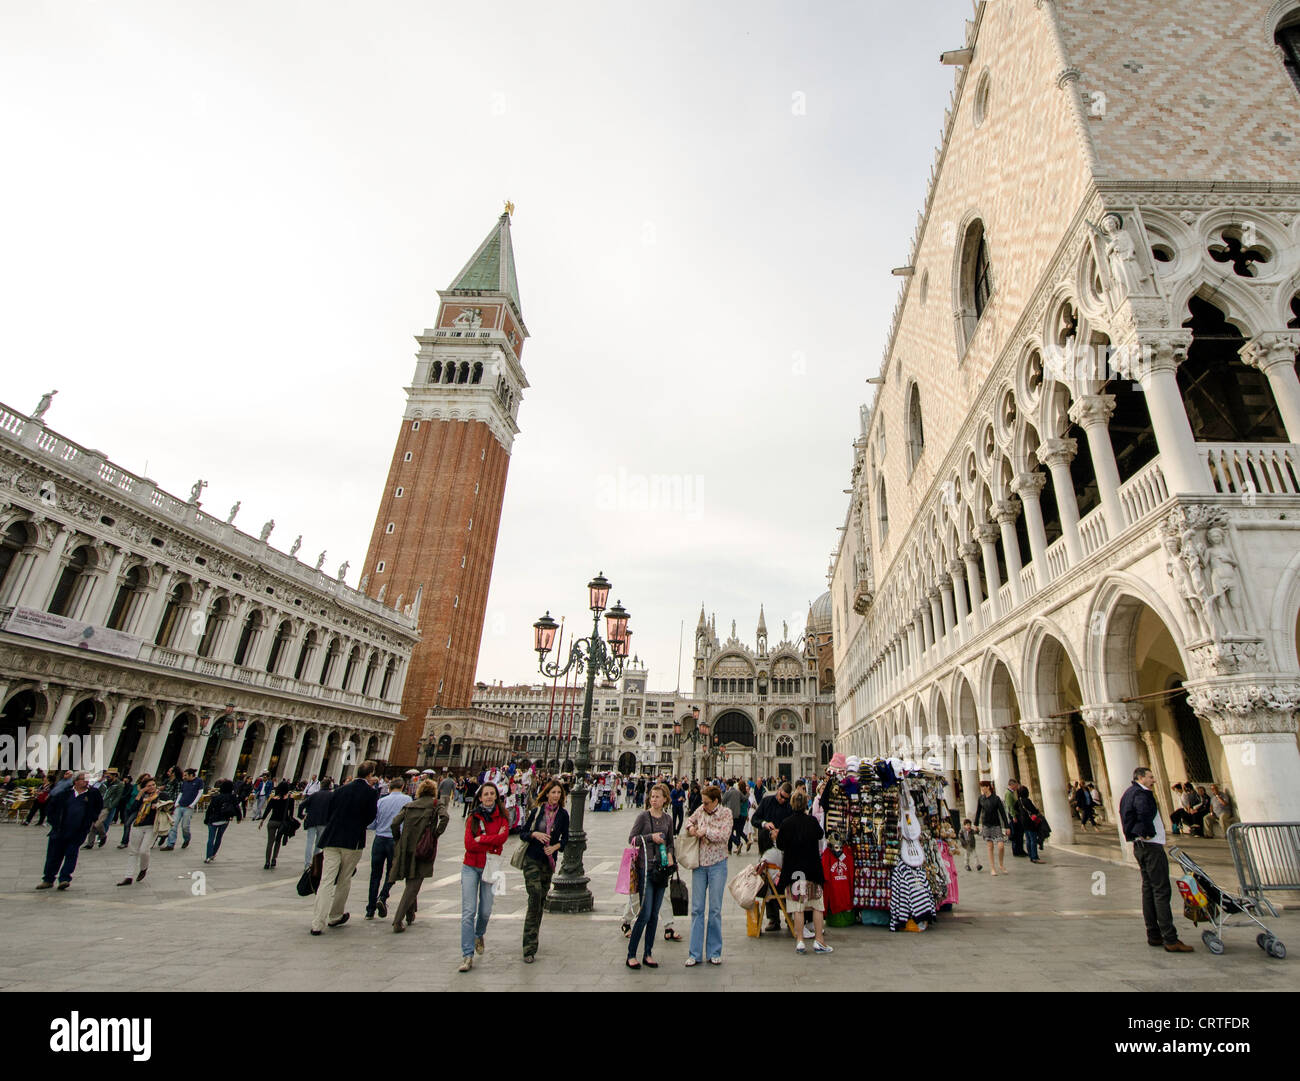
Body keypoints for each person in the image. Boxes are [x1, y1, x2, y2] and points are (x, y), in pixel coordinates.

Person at [1120, 766, 1193, 952]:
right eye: (1150, 777)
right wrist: (1146, 833)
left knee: (1148, 889)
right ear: (1140, 777)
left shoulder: (1128, 793)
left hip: (1140, 847)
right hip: (1151, 847)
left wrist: (1135, 835)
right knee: (1161, 891)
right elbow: (1144, 814)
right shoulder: (1142, 795)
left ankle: (1153, 934)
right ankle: (1170, 938)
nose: (1154, 780)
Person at [310, 760, 381, 936]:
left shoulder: (340, 790)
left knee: (326, 879)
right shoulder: (370, 793)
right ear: (370, 774)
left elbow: (331, 811)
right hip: (352, 841)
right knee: (344, 879)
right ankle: (335, 916)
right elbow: (370, 817)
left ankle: (317, 922)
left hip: (332, 838)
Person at [388, 778, 450, 932]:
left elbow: (395, 823)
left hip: (406, 846)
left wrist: (398, 839)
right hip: (423, 846)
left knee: (411, 879)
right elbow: (445, 817)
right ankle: (397, 920)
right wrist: (436, 833)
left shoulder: (410, 805)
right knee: (413, 885)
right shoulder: (435, 804)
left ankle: (410, 915)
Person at [459, 780, 509, 972]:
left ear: (496, 796)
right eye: (485, 794)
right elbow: (469, 845)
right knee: (468, 912)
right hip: (470, 866)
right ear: (480, 797)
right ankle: (467, 955)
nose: (489, 797)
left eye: (492, 794)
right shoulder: (473, 817)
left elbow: (502, 839)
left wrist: (482, 838)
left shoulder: (503, 817)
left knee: (486, 910)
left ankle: (479, 934)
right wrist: (491, 840)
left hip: (492, 867)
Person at [776, 789, 833, 955]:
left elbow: (780, 845)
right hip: (812, 871)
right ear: (806, 804)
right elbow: (820, 834)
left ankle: (800, 941)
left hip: (794, 873)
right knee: (816, 906)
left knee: (798, 908)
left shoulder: (786, 823)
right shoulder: (812, 821)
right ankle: (819, 941)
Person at [519, 778, 569, 962]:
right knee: (534, 897)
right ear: (546, 793)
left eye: (558, 793)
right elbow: (523, 833)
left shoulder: (563, 815)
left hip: (548, 862)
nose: (555, 796)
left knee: (539, 901)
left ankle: (533, 937)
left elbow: (565, 839)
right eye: (553, 792)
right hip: (532, 859)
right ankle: (528, 948)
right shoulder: (537, 811)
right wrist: (534, 834)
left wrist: (555, 847)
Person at [626, 782, 675, 970]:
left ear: (664, 800)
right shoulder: (643, 817)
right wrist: (650, 837)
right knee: (645, 914)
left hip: (662, 870)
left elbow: (670, 842)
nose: (654, 800)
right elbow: (632, 839)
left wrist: (670, 855)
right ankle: (631, 954)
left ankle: (648, 953)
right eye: (652, 797)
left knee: (654, 914)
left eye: (657, 797)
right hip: (645, 869)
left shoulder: (668, 819)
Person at [683, 783, 732, 966]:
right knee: (696, 909)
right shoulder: (701, 811)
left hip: (718, 864)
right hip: (699, 864)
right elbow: (689, 820)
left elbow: (725, 835)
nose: (703, 805)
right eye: (702, 802)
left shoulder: (726, 814)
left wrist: (707, 832)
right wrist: (692, 829)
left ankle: (714, 951)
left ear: (716, 801)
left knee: (715, 910)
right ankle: (694, 954)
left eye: (706, 802)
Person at [37, 772, 103, 891]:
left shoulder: (93, 794)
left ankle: (64, 879)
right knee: (53, 855)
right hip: (59, 830)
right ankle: (48, 879)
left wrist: (91, 820)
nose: (86, 781)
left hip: (78, 831)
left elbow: (98, 807)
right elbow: (51, 807)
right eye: (83, 779)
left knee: (71, 854)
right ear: (76, 781)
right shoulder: (65, 793)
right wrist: (53, 822)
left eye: (87, 779)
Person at [751, 781, 794, 930]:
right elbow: (754, 819)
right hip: (766, 848)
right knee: (767, 880)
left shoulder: (789, 807)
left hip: (783, 848)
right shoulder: (767, 801)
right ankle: (773, 919)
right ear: (778, 790)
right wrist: (764, 823)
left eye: (786, 798)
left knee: (785, 881)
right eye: (782, 796)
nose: (783, 800)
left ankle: (790, 917)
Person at [366, 778, 411, 919]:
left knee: (375, 874)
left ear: (389, 787)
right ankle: (383, 896)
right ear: (403, 786)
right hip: (395, 840)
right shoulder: (407, 800)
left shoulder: (381, 801)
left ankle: (370, 909)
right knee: (392, 872)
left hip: (379, 839)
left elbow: (372, 823)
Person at [117, 776, 160, 886]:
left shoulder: (160, 795)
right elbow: (133, 809)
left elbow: (169, 808)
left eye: (153, 785)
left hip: (151, 826)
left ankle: (143, 868)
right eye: (148, 786)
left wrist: (158, 806)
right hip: (138, 825)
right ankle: (128, 876)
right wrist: (140, 794)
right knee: (133, 851)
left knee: (144, 850)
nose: (151, 787)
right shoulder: (141, 796)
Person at [160, 768, 203, 850]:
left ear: (191, 775)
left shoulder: (199, 781)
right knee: (173, 825)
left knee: (185, 826)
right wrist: (177, 803)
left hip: (189, 807)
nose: (184, 777)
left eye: (186, 775)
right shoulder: (184, 782)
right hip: (180, 806)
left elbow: (200, 793)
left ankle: (187, 839)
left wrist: (193, 804)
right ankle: (170, 844)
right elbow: (181, 793)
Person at [974, 780, 1010, 875]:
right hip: (986, 825)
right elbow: (978, 811)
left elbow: (1003, 813)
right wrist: (976, 824)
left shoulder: (996, 799)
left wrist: (1007, 826)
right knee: (990, 847)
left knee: (1001, 846)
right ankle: (992, 868)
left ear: (988, 787)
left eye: (983, 787)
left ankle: (1001, 865)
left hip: (996, 824)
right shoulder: (981, 799)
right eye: (981, 787)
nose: (982, 789)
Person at [203, 780, 243, 862]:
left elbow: (210, 809)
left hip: (213, 820)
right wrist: (239, 818)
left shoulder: (216, 797)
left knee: (211, 838)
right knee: (219, 837)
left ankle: (208, 856)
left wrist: (206, 819)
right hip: (225, 820)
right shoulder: (233, 797)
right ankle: (213, 854)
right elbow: (237, 807)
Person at [299, 778, 333, 868]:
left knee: (309, 843)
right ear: (330, 786)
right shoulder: (332, 795)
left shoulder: (315, 794)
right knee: (318, 844)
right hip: (323, 822)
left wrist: (301, 816)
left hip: (312, 821)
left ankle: (307, 864)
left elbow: (301, 805)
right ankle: (314, 863)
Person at [261, 781, 295, 869]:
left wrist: (262, 820)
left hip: (272, 821)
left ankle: (267, 862)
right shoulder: (290, 799)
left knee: (270, 842)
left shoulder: (274, 798)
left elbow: (267, 810)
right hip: (282, 823)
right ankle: (274, 859)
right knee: (277, 841)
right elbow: (291, 813)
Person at [1016, 784, 1047, 863]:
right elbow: (1033, 810)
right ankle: (1034, 857)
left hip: (1024, 822)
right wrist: (1037, 811)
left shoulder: (1019, 801)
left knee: (1028, 839)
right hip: (1030, 822)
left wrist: (1021, 813)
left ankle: (1030, 855)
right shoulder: (1027, 800)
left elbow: (1015, 807)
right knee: (1033, 839)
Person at [722, 779, 745, 854]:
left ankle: (735, 845)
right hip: (737, 814)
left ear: (728, 785)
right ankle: (735, 848)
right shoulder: (738, 792)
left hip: (730, 815)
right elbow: (744, 799)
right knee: (736, 831)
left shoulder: (728, 793)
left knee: (729, 832)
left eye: (726, 785)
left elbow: (722, 802)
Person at [1005, 778, 1025, 857]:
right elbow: (1010, 806)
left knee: (1019, 834)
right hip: (1014, 815)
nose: (1017, 787)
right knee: (1017, 834)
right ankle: (1017, 851)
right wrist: (1013, 816)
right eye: (1016, 785)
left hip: (1014, 815)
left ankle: (1020, 850)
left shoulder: (1011, 793)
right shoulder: (1009, 794)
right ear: (1012, 785)